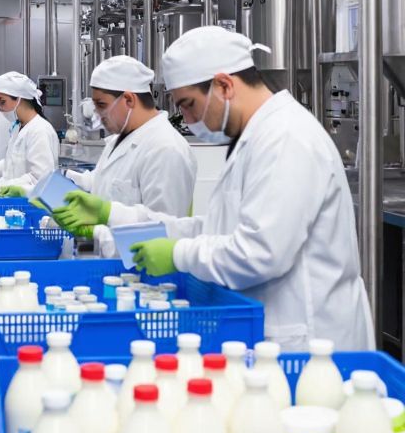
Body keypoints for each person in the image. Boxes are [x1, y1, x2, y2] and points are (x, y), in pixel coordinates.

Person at [52, 27, 373, 351]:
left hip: (309, 339)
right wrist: (113, 214)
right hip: (271, 330)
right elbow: (219, 228)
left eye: (190, 105)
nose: (188, 120)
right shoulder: (253, 137)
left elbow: (261, 252)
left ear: (224, 85)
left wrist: (178, 254)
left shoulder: (286, 138)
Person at [59, 56, 196, 255]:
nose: (97, 114)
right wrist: (67, 182)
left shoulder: (166, 148)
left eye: (102, 105)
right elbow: (103, 183)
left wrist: (98, 231)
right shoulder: (118, 139)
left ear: (129, 100)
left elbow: (164, 232)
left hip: (144, 277)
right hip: (112, 267)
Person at [0, 71, 60, 196]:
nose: (0, 108)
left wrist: (5, 186)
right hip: (15, 201)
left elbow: (40, 178)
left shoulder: (39, 130)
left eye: (2, 101)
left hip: (30, 203)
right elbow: (11, 164)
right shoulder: (18, 127)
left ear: (20, 99)